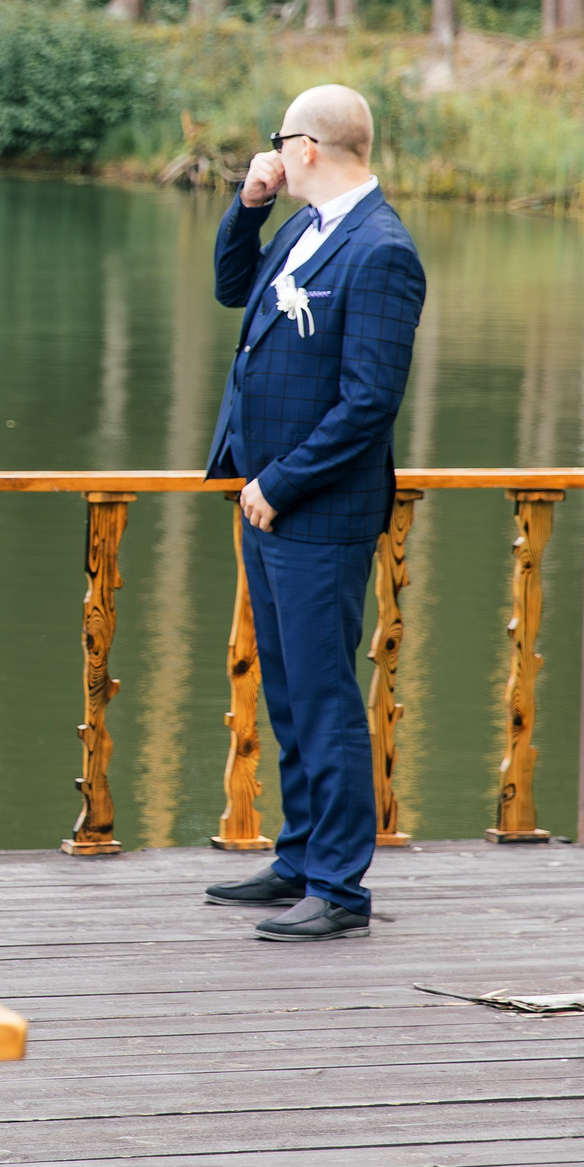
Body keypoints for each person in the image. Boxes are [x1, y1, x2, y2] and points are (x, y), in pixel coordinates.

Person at [200, 85, 425, 941]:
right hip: (268, 502)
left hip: (316, 509)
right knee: (290, 692)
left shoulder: (380, 251)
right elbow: (233, 289)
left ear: (308, 147)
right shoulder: (305, 229)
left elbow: (370, 403)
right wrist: (247, 205)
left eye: (276, 144)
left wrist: (280, 483)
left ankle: (339, 886)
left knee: (326, 696)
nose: (270, 154)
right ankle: (298, 858)